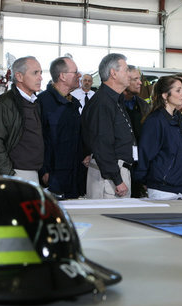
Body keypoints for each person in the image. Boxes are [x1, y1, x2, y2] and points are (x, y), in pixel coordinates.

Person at [0, 56, 44, 183]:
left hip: (32, 173)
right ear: (19, 77)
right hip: (15, 174)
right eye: (35, 73)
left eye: (40, 73)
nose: (40, 77)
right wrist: (10, 175)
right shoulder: (4, 103)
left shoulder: (35, 103)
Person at [81, 53, 136, 198]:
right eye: (125, 70)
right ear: (113, 73)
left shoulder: (115, 100)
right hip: (110, 178)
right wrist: (117, 180)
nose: (129, 74)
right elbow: (102, 144)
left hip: (115, 173)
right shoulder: (103, 103)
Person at [134, 76, 182, 199]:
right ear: (165, 95)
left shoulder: (178, 121)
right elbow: (145, 154)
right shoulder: (155, 121)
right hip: (162, 189)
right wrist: (144, 180)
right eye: (178, 90)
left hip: (180, 188)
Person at [38, 56, 86, 199]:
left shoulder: (73, 103)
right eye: (75, 72)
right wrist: (44, 172)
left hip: (74, 176)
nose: (80, 76)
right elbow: (38, 139)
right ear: (63, 76)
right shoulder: (43, 102)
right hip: (53, 178)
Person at [124, 65, 151, 198]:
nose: (140, 82)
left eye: (139, 79)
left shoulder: (145, 106)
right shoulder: (114, 105)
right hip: (120, 166)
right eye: (135, 79)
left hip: (140, 168)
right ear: (125, 80)